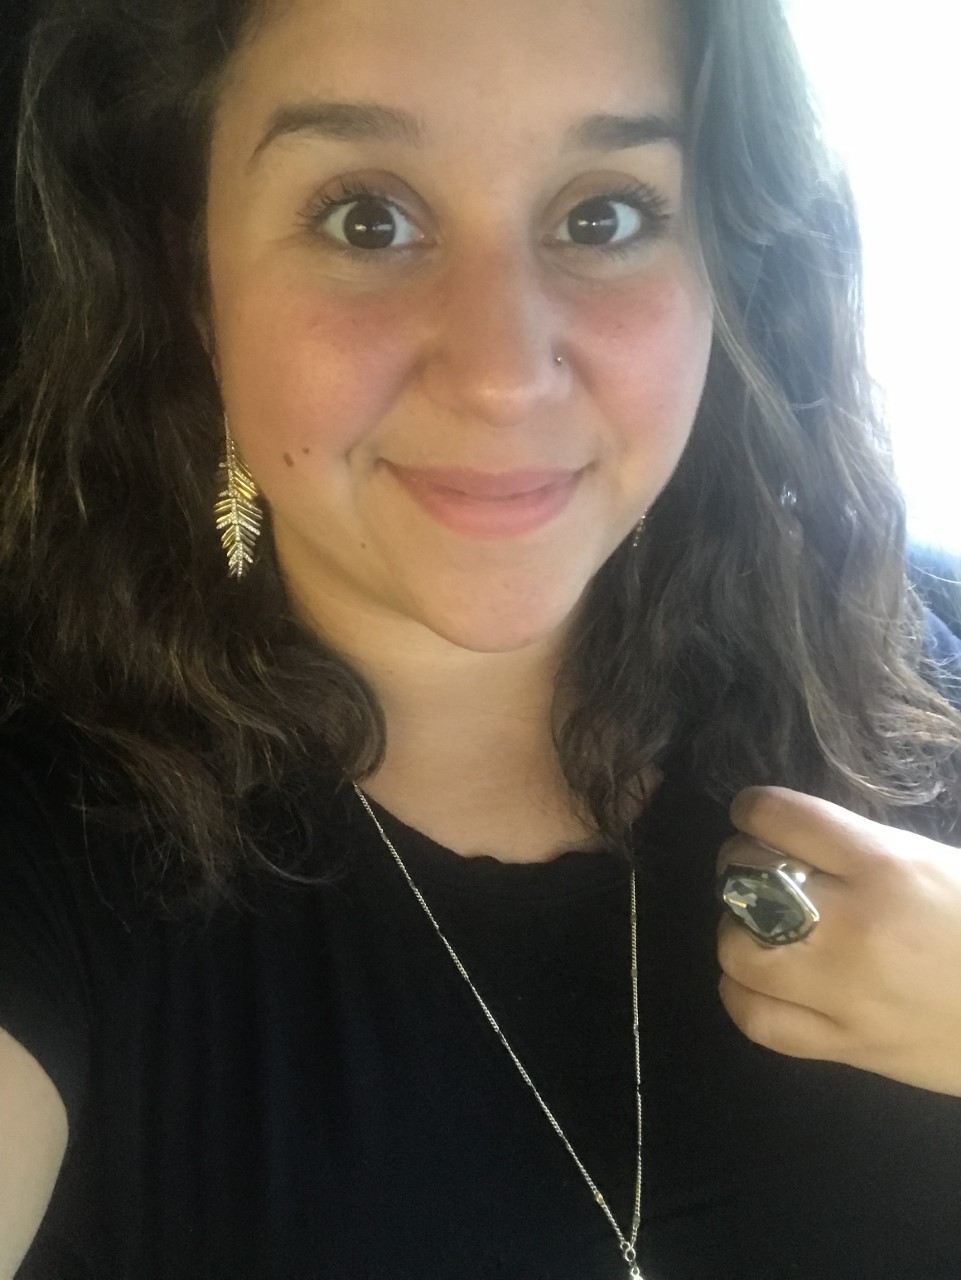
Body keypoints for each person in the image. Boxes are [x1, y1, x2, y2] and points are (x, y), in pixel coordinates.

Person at [0, 0, 960, 1276]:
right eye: (366, 219)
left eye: (602, 216)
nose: (503, 371)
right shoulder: (48, 845)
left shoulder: (920, 660)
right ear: (195, 281)